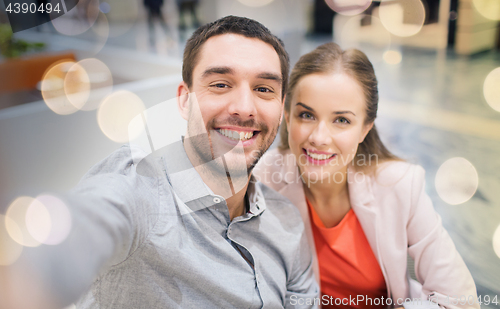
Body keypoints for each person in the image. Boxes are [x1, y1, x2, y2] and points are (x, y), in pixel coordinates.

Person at [0, 16, 319, 309]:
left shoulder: (287, 223)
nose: (245, 108)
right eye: (220, 84)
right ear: (184, 99)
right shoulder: (140, 188)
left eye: (264, 89)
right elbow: (72, 234)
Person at [253, 42, 479, 309]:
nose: (319, 138)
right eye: (306, 115)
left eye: (342, 120)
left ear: (365, 129)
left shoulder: (401, 185)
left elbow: (460, 301)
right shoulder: (261, 179)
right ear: (288, 118)